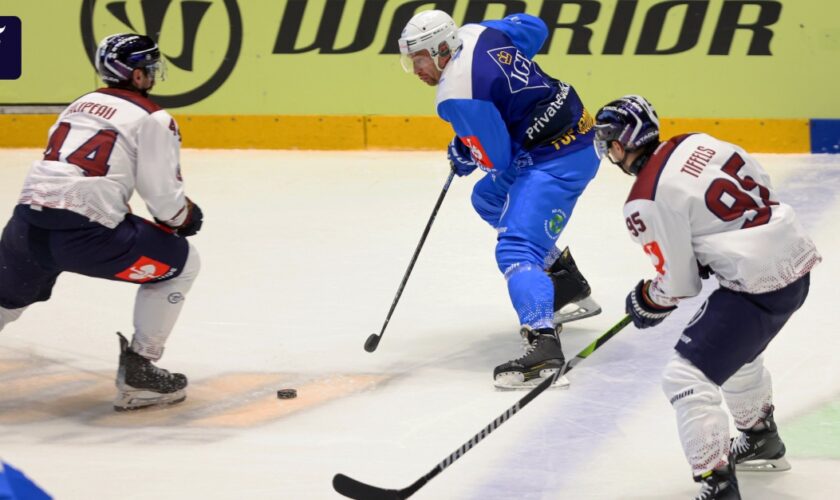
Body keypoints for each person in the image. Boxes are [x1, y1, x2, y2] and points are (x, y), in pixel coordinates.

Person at [593, 95, 821, 499]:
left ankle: (716, 485)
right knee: (735, 353)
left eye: (608, 141)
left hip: (758, 283)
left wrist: (649, 298)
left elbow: (680, 285)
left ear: (621, 142)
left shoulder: (645, 198)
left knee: (685, 377)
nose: (608, 150)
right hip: (794, 257)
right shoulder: (695, 142)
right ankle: (759, 437)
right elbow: (757, 183)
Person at [398, 11, 601, 389]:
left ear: (442, 50)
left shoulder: (455, 94)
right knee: (488, 199)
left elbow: (496, 159)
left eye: (420, 59)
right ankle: (563, 281)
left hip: (555, 160)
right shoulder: (480, 32)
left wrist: (465, 150)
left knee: (515, 250)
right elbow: (535, 29)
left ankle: (544, 347)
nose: (417, 70)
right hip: (569, 132)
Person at [0, 34, 203, 411]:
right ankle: (140, 369)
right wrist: (185, 216)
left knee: (5, 300)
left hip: (25, 227)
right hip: (89, 237)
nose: (154, 74)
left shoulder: (79, 105)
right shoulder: (153, 118)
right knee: (182, 263)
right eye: (150, 68)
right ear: (138, 75)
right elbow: (163, 201)